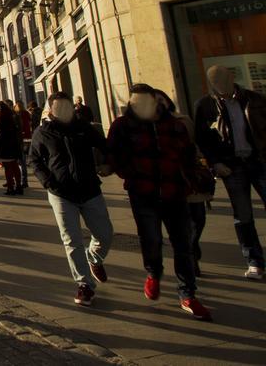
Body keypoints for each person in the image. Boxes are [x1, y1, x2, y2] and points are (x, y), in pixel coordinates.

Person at [107, 84, 211, 321]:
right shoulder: (123, 126)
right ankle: (154, 272)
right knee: (151, 239)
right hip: (143, 193)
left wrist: (192, 178)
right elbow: (113, 154)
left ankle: (188, 294)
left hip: (175, 191)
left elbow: (187, 154)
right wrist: (130, 174)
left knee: (182, 244)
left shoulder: (174, 125)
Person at [29, 92, 113, 307]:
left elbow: (105, 146)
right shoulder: (43, 132)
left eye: (67, 106)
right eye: (59, 107)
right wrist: (48, 182)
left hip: (89, 188)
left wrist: (106, 164)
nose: (64, 111)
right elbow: (35, 159)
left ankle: (94, 257)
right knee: (71, 239)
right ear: (50, 110)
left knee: (104, 234)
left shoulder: (84, 127)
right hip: (61, 192)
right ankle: (84, 284)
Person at [194, 65, 266, 280]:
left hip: (258, 160)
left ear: (232, 77)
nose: (220, 84)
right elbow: (202, 138)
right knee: (242, 214)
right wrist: (215, 162)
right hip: (231, 166)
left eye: (224, 78)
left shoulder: (254, 99)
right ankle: (254, 261)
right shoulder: (205, 105)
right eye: (215, 80)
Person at [156, 88, 214, 277]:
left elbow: (195, 143)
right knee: (184, 223)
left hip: (190, 175)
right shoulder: (150, 125)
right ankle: (189, 257)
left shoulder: (184, 120)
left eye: (162, 99)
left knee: (199, 219)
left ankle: (191, 249)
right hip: (171, 180)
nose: (160, 103)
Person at [0, 102, 23, 195]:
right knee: (15, 167)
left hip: (5, 146)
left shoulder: (2, 119)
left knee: (8, 168)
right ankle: (18, 186)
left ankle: (10, 188)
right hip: (14, 145)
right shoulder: (12, 117)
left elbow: (0, 135)